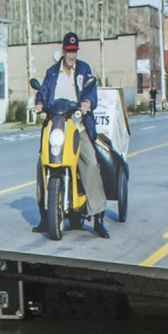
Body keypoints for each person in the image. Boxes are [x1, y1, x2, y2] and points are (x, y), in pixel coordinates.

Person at [33, 32, 108, 238]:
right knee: (42, 164)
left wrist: (87, 103)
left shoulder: (84, 70)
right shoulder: (52, 72)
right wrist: (39, 103)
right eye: (68, 51)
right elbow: (43, 91)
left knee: (90, 163)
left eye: (74, 51)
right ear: (63, 50)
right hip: (56, 125)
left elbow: (90, 92)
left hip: (76, 126)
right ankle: (44, 215)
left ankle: (98, 217)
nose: (71, 55)